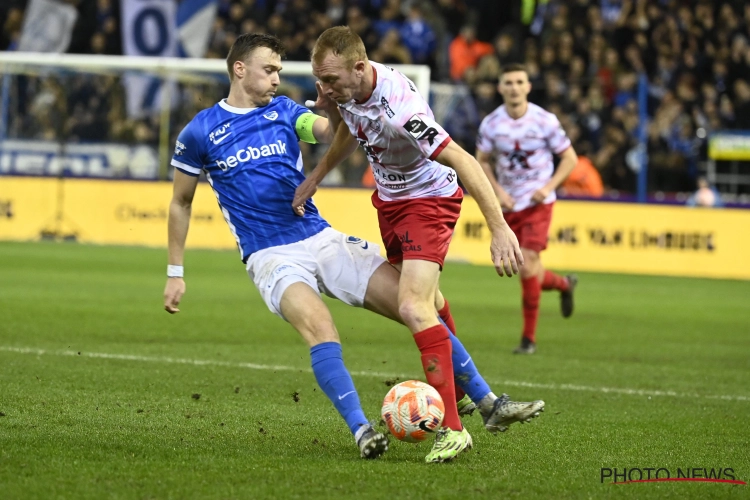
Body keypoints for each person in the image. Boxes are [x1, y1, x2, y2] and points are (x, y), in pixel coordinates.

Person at [164, 33, 544, 464]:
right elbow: (180, 202)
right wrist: (176, 272)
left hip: (323, 237)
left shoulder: (287, 112)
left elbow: (328, 129)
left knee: (414, 305)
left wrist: (328, 114)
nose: (277, 79)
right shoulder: (199, 132)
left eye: (280, 72)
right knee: (326, 328)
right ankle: (363, 430)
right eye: (270, 70)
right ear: (240, 69)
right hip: (270, 256)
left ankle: (482, 401)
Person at [292, 27, 534, 463]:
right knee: (431, 303)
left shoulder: (399, 107)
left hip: (429, 201)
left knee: (411, 306)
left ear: (361, 68)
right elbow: (348, 125)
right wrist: (317, 176)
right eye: (319, 80)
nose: (323, 90)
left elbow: (463, 159)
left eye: (330, 80)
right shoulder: (346, 89)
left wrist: (499, 228)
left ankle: (453, 430)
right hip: (390, 204)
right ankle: (481, 399)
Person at [475, 63, 579, 355]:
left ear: (529, 87)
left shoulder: (544, 120)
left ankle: (528, 339)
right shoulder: (491, 124)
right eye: (508, 82)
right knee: (528, 268)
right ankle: (563, 284)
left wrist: (548, 187)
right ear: (500, 88)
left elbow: (570, 158)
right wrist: (499, 192)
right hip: (509, 205)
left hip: (538, 203)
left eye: (520, 82)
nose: (514, 87)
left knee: (528, 261)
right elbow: (480, 160)